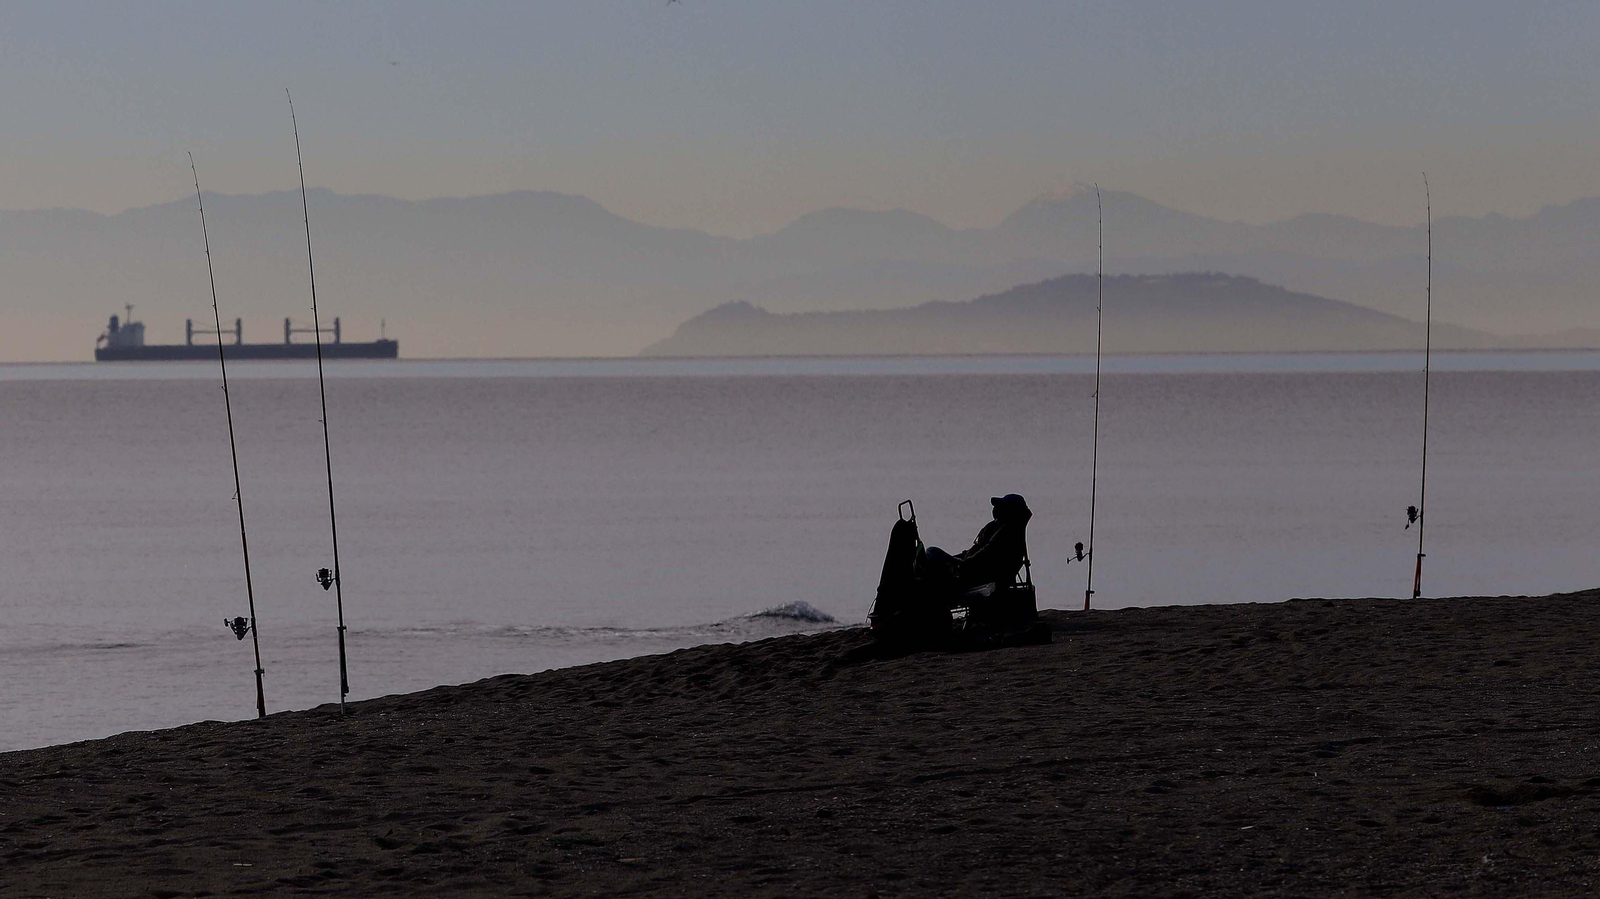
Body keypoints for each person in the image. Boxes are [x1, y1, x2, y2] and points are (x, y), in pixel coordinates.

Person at [917, 494, 1032, 594]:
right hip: (971, 569)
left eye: (1001, 507)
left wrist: (962, 564)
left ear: (1010, 512)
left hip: (974, 574)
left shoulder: (1007, 533)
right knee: (931, 555)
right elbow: (979, 551)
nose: (996, 509)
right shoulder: (1001, 529)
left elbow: (986, 554)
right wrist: (957, 558)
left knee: (932, 552)